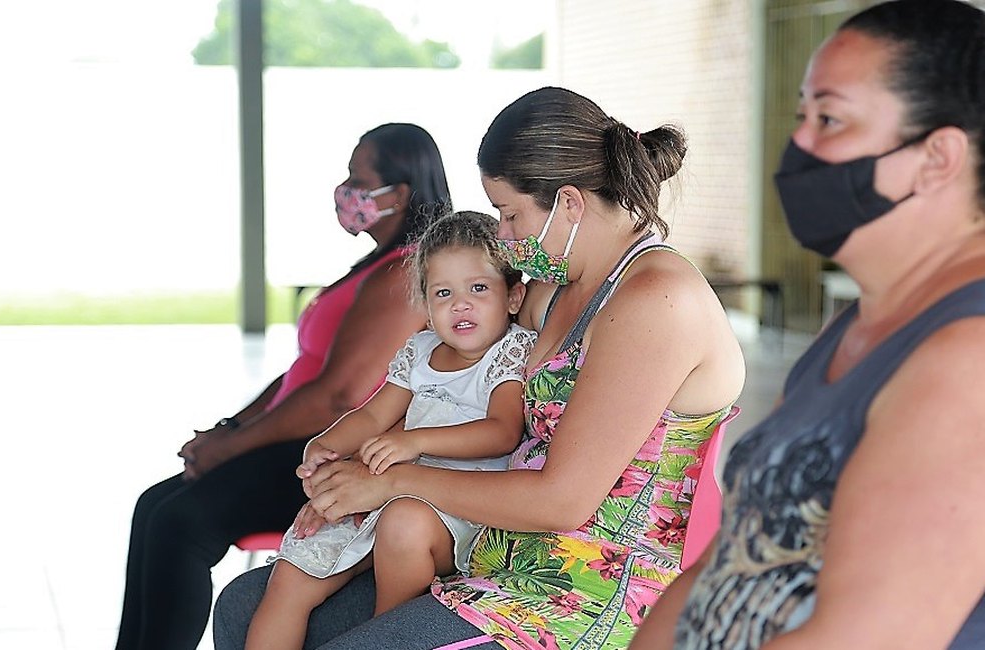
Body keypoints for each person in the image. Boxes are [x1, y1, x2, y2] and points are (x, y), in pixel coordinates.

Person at [213, 86, 747, 649]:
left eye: (510, 213)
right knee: (245, 608)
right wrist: (353, 469)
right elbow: (450, 381)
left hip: (587, 599)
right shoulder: (551, 288)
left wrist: (389, 481)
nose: (503, 234)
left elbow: (562, 501)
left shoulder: (658, 300)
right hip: (493, 556)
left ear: (568, 203)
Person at [628, 2, 985, 649]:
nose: (799, 145)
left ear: (937, 157)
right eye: (802, 116)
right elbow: (735, 553)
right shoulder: (870, 319)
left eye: (829, 119)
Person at [115, 122, 453, 650]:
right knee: (154, 507)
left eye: (358, 180)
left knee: (180, 523)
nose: (347, 191)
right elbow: (302, 370)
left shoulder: (406, 275)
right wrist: (230, 428)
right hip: (300, 436)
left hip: (335, 451)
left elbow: (338, 396)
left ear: (401, 193)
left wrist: (232, 447)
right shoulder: (375, 266)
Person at [245, 210, 537, 650]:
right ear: (426, 308)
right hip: (383, 488)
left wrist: (414, 441)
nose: (460, 304)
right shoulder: (421, 352)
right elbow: (370, 417)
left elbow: (501, 432)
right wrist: (325, 445)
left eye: (478, 288)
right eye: (443, 293)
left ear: (513, 296)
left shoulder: (507, 352)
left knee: (403, 524)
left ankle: (386, 636)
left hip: (453, 508)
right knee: (290, 576)